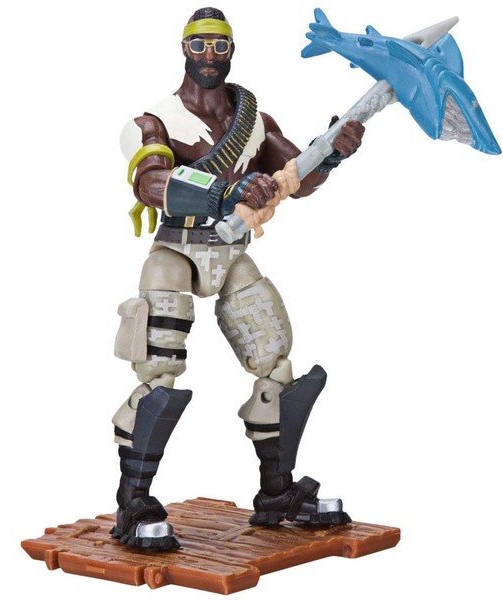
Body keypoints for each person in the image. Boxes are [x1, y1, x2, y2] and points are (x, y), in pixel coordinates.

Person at [111, 7, 365, 550]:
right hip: (176, 252)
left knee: (276, 363)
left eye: (219, 45)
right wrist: (227, 193)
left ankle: (277, 492)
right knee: (157, 375)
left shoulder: (254, 121)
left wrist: (332, 152)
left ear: (232, 50)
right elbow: (151, 184)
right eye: (200, 44)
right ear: (184, 48)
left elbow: (298, 178)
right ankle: (133, 502)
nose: (209, 55)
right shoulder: (155, 122)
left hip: (231, 253)